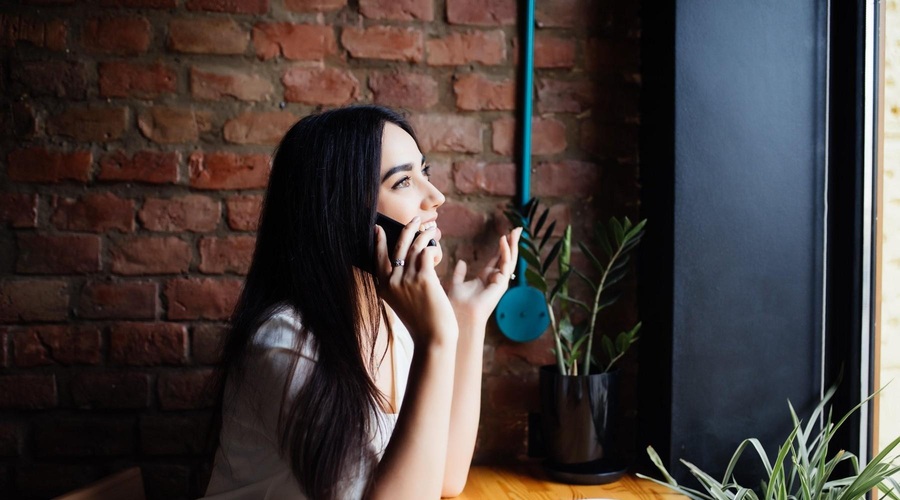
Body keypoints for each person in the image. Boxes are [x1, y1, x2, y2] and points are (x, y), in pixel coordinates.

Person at [202, 105, 522, 500]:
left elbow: (445, 478)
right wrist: (436, 338)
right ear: (341, 209)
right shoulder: (284, 341)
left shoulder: (390, 319)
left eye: (425, 173)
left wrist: (468, 321)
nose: (435, 196)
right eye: (403, 182)